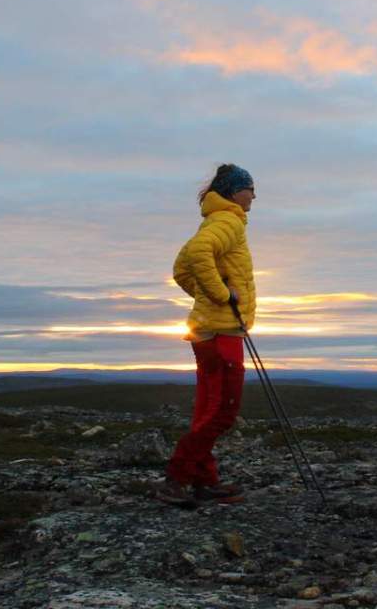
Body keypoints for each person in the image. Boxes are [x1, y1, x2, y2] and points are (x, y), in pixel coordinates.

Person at [157, 164, 257, 507]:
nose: (254, 196)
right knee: (223, 411)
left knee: (208, 409)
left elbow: (181, 270)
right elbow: (199, 254)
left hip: (207, 331)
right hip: (221, 331)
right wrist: (221, 294)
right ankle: (178, 478)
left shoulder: (214, 221)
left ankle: (204, 480)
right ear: (234, 192)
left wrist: (207, 294)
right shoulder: (228, 221)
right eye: (250, 189)